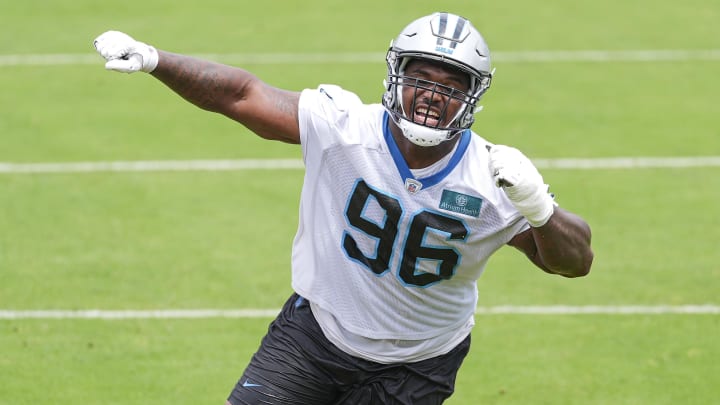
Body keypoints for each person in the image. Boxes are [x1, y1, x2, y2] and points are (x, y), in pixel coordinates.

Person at [93, 11, 593, 405]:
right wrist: (155, 59)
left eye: (451, 85)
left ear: (472, 96)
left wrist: (540, 207)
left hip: (417, 363)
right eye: (422, 78)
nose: (432, 97)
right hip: (317, 331)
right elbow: (242, 94)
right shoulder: (344, 127)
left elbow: (574, 263)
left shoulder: (493, 175)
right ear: (397, 75)